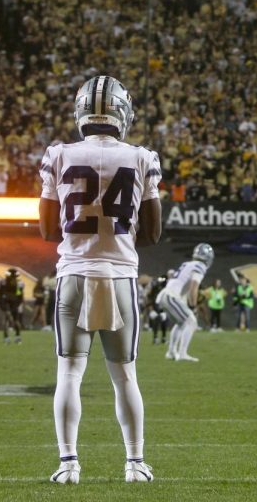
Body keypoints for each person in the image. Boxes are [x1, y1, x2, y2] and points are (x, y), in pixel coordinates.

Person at [39, 75, 163, 484]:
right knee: (125, 375)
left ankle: (68, 463)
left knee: (69, 373)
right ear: (122, 113)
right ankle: (135, 464)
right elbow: (153, 232)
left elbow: (45, 229)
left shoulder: (58, 154)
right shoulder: (142, 157)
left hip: (73, 273)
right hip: (121, 276)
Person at [157, 244, 213, 362]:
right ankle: (182, 354)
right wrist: (193, 306)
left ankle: (171, 352)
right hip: (171, 297)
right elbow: (193, 288)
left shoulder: (188, 264)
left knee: (181, 322)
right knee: (191, 322)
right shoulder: (200, 266)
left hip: (165, 295)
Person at [0, 267, 26, 344]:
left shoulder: (19, 284)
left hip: (14, 303)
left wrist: (16, 305)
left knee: (15, 321)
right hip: (6, 302)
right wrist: (2, 306)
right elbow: (0, 295)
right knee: (6, 320)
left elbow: (20, 297)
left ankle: (17, 336)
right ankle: (6, 337)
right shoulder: (2, 283)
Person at [146, 274, 169, 344]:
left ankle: (164, 338)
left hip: (163, 309)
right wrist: (151, 309)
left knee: (164, 321)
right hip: (155, 308)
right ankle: (155, 338)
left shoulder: (167, 289)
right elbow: (149, 298)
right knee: (156, 320)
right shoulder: (154, 288)